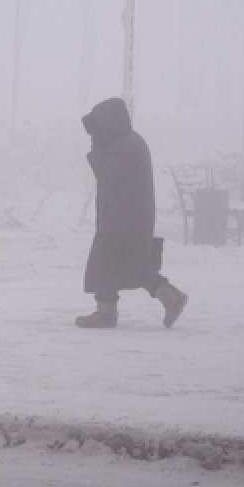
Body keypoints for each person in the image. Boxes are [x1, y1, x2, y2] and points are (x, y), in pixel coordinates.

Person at [76, 96, 188, 329]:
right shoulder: (129, 142)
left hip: (124, 217)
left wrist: (97, 151)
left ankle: (107, 313)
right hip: (127, 215)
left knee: (108, 261)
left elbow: (107, 177)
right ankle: (168, 297)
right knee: (128, 263)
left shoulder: (126, 146)